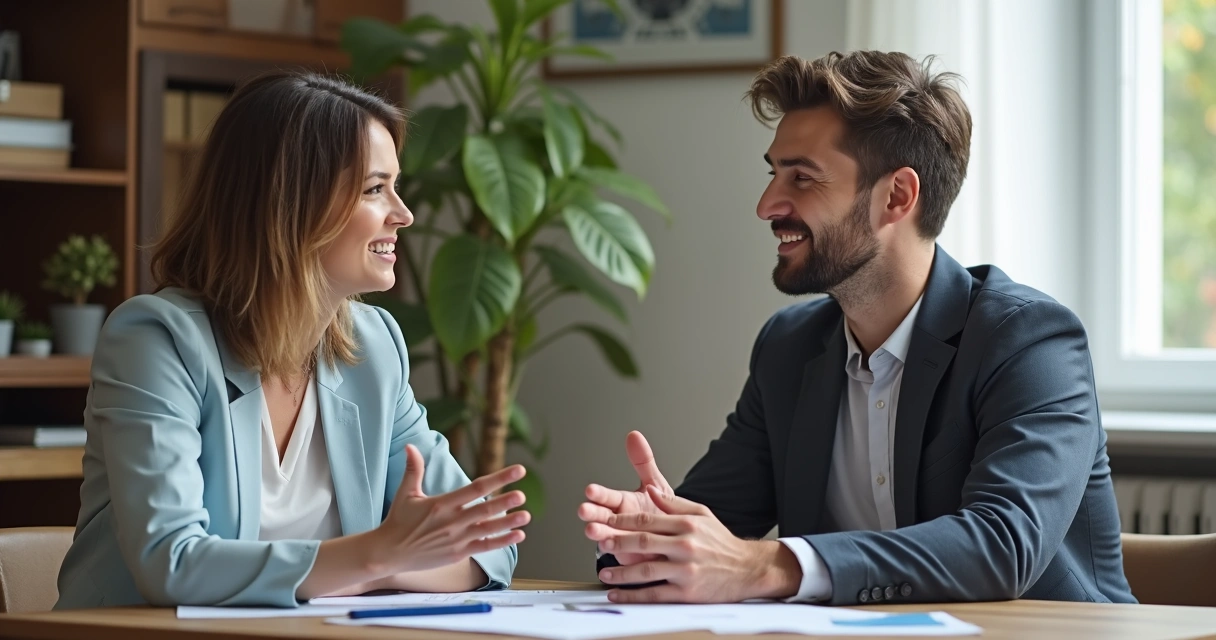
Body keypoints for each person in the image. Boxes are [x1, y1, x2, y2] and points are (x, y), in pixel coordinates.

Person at [579, 51, 1136, 606]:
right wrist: (643, 540)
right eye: (774, 174)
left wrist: (770, 564)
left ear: (896, 196)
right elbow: (704, 537)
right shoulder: (788, 349)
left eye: (803, 178)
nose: (767, 204)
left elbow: (1001, 546)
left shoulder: (1029, 341)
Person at [54, 71, 529, 609]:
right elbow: (172, 562)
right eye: (375, 189)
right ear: (292, 203)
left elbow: (489, 551)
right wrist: (377, 557)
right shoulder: (156, 341)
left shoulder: (374, 348)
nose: (404, 214)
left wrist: (375, 567)